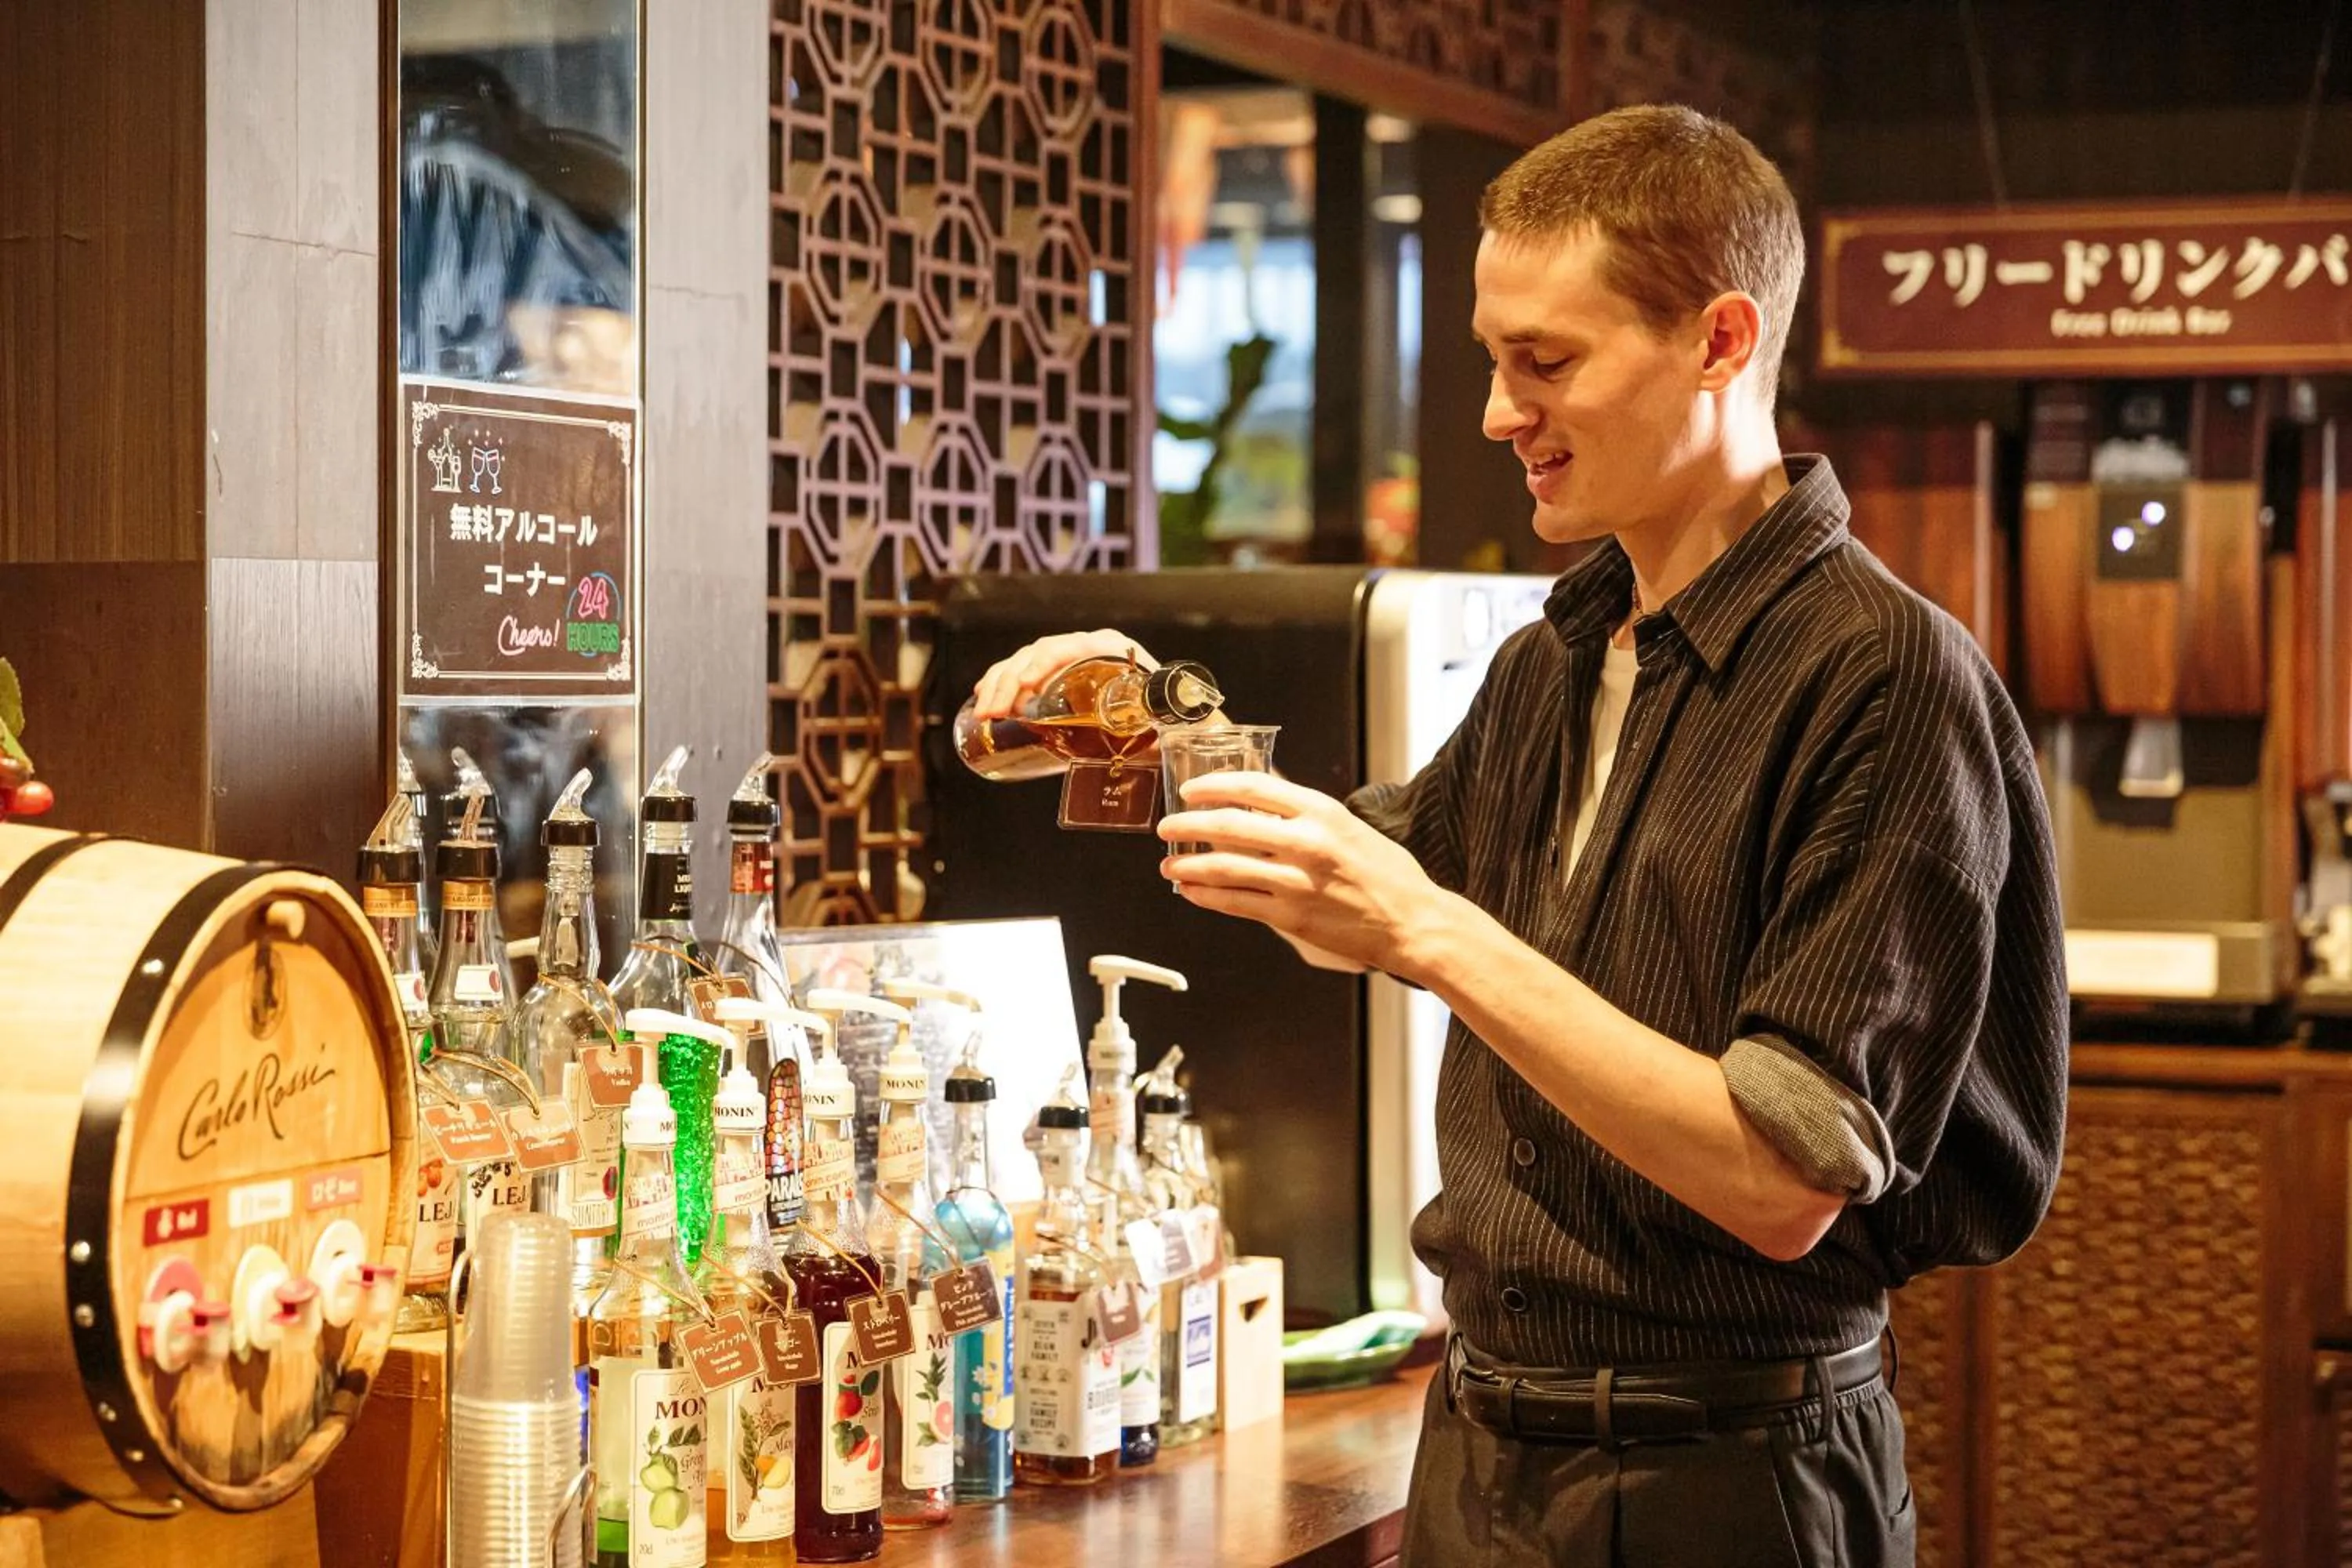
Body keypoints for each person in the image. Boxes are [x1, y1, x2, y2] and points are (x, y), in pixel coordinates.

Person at [965, 104, 2067, 1566]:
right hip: (1482, 1449)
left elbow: (1782, 1177)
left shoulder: (1885, 675)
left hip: (1729, 1471)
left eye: (1546, 363)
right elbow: (1344, 890)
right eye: (1494, 360)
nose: (1498, 412)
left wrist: (1431, 932)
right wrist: (1150, 711)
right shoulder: (1554, 661)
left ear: (1721, 341)